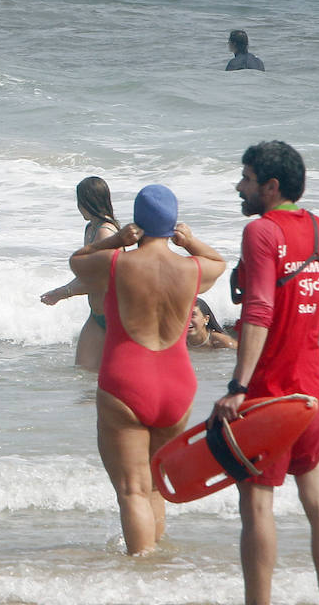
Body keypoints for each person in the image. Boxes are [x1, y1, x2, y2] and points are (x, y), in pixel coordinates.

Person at [213, 140, 319, 605]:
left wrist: (237, 384)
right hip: (313, 395)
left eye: (247, 178)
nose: (240, 186)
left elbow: (256, 312)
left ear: (271, 187)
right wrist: (301, 300)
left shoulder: (261, 231)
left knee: (257, 503)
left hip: (270, 395)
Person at [69, 185, 226, 555]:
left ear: (136, 222)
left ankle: (141, 576)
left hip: (127, 379)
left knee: (132, 490)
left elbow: (77, 260)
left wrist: (113, 242)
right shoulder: (192, 269)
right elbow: (219, 262)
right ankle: (155, 571)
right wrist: (189, 242)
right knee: (155, 485)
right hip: (176, 385)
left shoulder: (117, 263)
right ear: (172, 224)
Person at [40, 176, 122, 371]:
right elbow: (87, 274)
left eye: (79, 202)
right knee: (83, 374)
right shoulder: (91, 229)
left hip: (116, 318)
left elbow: (101, 280)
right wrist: (60, 291)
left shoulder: (106, 233)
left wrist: (63, 293)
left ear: (88, 202)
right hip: (96, 315)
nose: (78, 207)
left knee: (112, 378)